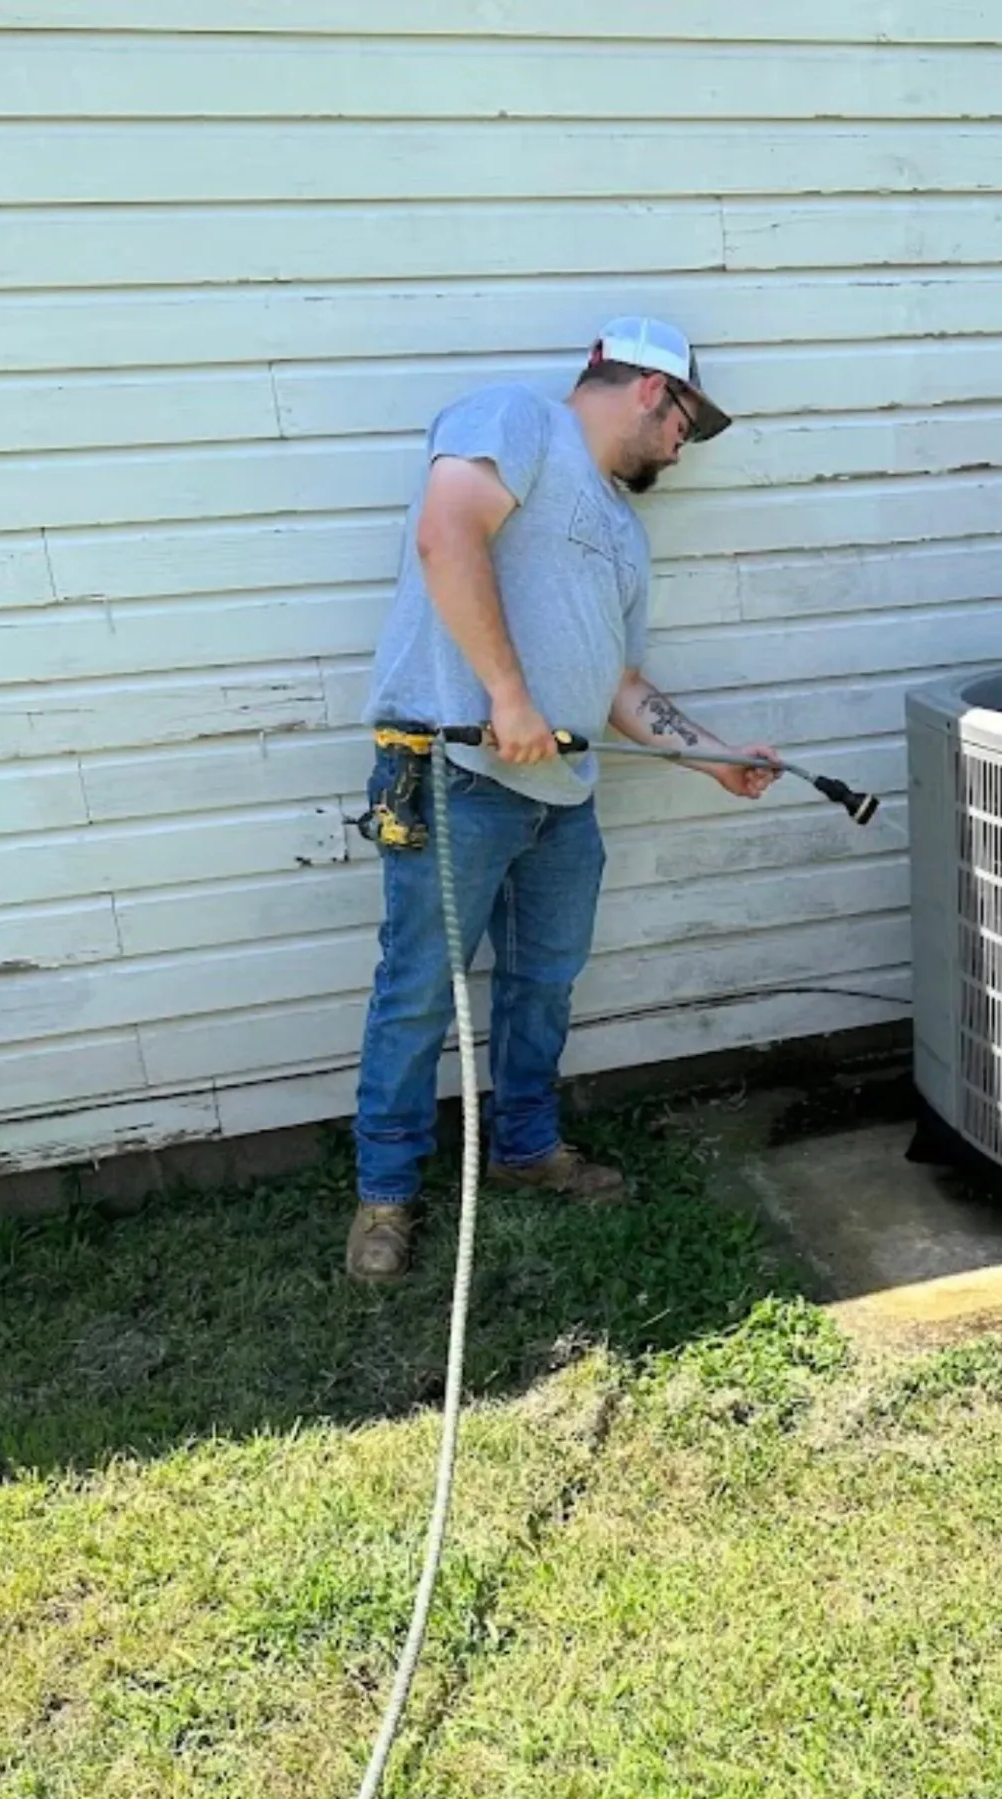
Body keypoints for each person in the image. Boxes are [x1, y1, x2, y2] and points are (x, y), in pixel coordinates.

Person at [346, 317, 779, 1281]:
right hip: (455, 777)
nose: (680, 447)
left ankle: (527, 1149)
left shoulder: (624, 531)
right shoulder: (517, 422)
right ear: (647, 389)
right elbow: (445, 529)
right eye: (685, 424)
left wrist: (712, 756)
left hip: (560, 799)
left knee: (545, 984)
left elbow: (621, 685)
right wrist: (508, 696)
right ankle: (387, 1196)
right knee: (418, 993)